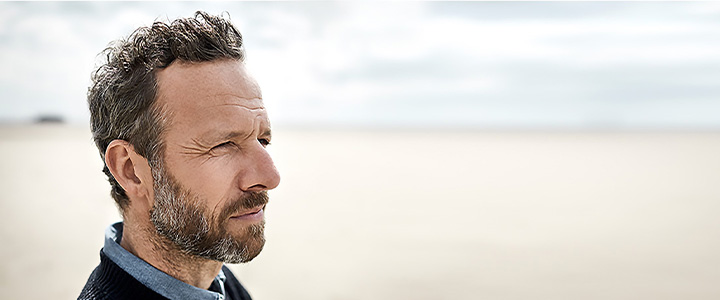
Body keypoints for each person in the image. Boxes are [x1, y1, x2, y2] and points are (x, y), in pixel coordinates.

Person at [79, 11, 281, 300]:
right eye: (223, 144)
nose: (270, 177)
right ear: (130, 170)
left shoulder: (216, 283)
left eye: (263, 140)